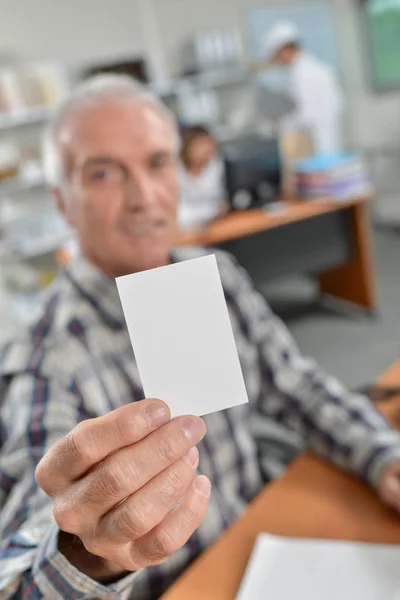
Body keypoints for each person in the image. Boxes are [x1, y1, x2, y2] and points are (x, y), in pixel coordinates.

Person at [1, 75, 400, 600]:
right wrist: (84, 553)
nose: (144, 198)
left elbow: (294, 384)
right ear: (62, 201)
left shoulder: (218, 275)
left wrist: (382, 455)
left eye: (158, 163)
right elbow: (23, 557)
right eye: (103, 173)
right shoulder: (46, 357)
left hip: (262, 545)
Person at [264, 20, 344, 156]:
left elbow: (306, 116)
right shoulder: (313, 68)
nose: (278, 60)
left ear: (285, 50)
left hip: (319, 143)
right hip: (324, 139)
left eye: (277, 55)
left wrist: (281, 124)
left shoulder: (304, 73)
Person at [177, 125, 226, 231]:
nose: (206, 149)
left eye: (209, 144)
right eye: (200, 144)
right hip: (189, 232)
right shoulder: (176, 173)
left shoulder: (217, 166)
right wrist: (212, 211)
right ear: (188, 147)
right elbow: (179, 214)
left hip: (220, 225)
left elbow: (225, 201)